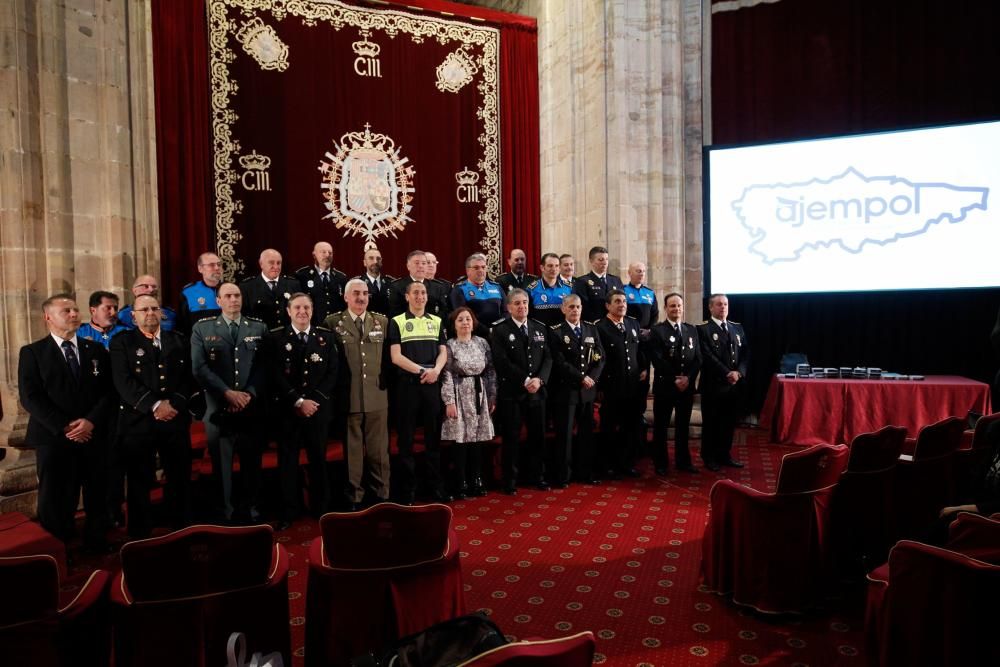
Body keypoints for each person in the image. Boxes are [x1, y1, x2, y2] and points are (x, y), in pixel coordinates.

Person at [18, 294, 113, 551]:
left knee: (97, 491)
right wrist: (66, 426)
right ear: (48, 317)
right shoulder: (32, 353)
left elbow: (108, 392)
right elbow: (30, 397)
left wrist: (91, 421)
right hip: (54, 437)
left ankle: (97, 540)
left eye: (75, 310)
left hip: (92, 435)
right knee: (56, 497)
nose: (74, 314)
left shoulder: (95, 350)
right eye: (66, 311)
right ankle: (58, 548)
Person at [109, 294, 193, 538]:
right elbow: (123, 382)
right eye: (144, 309)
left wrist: (174, 404)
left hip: (174, 419)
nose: (150, 313)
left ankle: (181, 527)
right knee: (139, 481)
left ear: (162, 313)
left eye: (155, 308)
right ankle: (140, 534)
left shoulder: (177, 340)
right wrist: (156, 405)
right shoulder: (122, 343)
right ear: (133, 316)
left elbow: (189, 377)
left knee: (179, 477)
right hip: (138, 422)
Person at [191, 282, 268, 523]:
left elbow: (264, 366)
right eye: (228, 296)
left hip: (249, 407)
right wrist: (227, 393)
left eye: (237, 295)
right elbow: (199, 368)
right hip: (218, 408)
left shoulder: (258, 327)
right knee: (221, 467)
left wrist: (249, 394)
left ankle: (251, 511)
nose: (233, 299)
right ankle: (225, 513)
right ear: (218, 301)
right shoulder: (202, 329)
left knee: (251, 464)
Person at [268, 293, 339, 528]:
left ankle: (321, 508)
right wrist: (298, 402)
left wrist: (313, 401)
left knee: (318, 460)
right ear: (288, 311)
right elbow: (274, 374)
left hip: (317, 411)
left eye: (306, 307)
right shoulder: (276, 337)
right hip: (288, 411)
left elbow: (333, 372)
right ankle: (289, 511)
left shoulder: (325, 338)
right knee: (287, 463)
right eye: (297, 307)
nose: (302, 312)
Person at [325, 279, 391, 510]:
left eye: (365, 293)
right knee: (352, 453)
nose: (361, 297)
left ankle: (381, 493)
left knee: (378, 451)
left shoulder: (381, 321)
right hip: (348, 396)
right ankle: (355, 496)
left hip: (377, 395)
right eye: (356, 293)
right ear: (345, 297)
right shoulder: (333, 322)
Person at [388, 281, 450, 504]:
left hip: (432, 384)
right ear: (407, 297)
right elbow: (396, 357)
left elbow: (443, 352)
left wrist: (436, 371)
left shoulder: (437, 321)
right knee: (406, 441)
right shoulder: (397, 322)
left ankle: (435, 488)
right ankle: (408, 491)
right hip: (408, 387)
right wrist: (424, 370)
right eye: (415, 293)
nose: (420, 296)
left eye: (423, 292)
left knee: (433, 439)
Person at [491, 288, 552, 493]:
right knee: (512, 438)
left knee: (538, 437)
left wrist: (540, 380)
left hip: (537, 392)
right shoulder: (499, 330)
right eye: (517, 303)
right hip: (512, 393)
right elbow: (501, 361)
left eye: (525, 302)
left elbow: (548, 358)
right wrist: (526, 379)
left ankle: (537, 476)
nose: (522, 306)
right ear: (508, 307)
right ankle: (510, 480)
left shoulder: (539, 328)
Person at [547, 294, 605, 486]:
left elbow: (600, 357)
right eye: (571, 307)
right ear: (563, 309)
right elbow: (559, 362)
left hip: (587, 392)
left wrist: (592, 378)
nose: (575, 310)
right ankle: (564, 475)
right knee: (565, 437)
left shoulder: (590, 328)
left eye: (578, 307)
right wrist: (581, 378)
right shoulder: (555, 332)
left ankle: (585, 473)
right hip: (567, 392)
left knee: (586, 435)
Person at [441, 307, 497, 499]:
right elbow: (446, 373)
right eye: (461, 320)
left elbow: (490, 371)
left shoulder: (482, 343)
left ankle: (477, 479)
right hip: (460, 393)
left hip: (479, 393)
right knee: (461, 440)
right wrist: (449, 401)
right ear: (454, 324)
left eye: (468, 319)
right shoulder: (450, 345)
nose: (465, 323)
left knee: (477, 440)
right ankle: (460, 481)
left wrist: (491, 395)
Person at [647, 292, 701, 475]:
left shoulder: (691, 330)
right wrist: (674, 379)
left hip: (686, 387)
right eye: (672, 306)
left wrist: (688, 378)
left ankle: (683, 461)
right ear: (665, 308)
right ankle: (661, 463)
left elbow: (698, 359)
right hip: (666, 387)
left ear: (683, 308)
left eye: (679, 305)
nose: (676, 309)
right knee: (661, 427)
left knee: (683, 427)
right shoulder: (657, 330)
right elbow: (657, 359)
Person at [595, 289, 645, 478]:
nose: (622, 304)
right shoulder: (599, 327)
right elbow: (598, 359)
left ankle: (626, 464)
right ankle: (607, 466)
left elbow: (639, 349)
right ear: (608, 305)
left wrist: (643, 368)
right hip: (611, 387)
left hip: (631, 386)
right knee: (608, 429)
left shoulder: (632, 323)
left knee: (629, 428)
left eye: (624, 301)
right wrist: (599, 387)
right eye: (617, 301)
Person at [697, 293, 748, 471]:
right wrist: (727, 373)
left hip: (734, 386)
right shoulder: (703, 329)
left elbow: (745, 355)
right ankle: (709, 457)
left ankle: (724, 454)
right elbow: (707, 356)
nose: (723, 307)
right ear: (710, 308)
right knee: (711, 423)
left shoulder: (737, 328)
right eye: (719, 304)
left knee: (728, 423)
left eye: (725, 304)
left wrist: (739, 373)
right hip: (713, 385)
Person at [240, 248, 300, 329]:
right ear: (261, 264)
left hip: (287, 335)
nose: (276, 266)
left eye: (279, 263)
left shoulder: (293, 284)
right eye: (271, 263)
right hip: (261, 335)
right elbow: (243, 317)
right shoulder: (247, 287)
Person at [450, 252, 505, 338]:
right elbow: (462, 316)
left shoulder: (496, 287)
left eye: (483, 267)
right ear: (468, 271)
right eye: (476, 268)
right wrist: (488, 331)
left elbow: (507, 312)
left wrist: (497, 328)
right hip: (474, 336)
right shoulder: (460, 289)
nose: (481, 270)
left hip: (498, 334)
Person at [296, 241, 348, 326]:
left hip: (335, 326)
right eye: (323, 252)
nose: (327, 255)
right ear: (314, 255)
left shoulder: (341, 278)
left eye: (330, 253)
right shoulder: (302, 276)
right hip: (312, 326)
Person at [387, 249, 450, 319]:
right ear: (408, 266)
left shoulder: (437, 287)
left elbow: (443, 312)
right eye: (417, 263)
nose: (420, 266)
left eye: (424, 263)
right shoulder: (397, 286)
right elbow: (394, 314)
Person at [574, 245, 624, 323]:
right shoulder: (582, 281)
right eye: (600, 260)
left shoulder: (615, 280)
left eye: (606, 259)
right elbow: (584, 307)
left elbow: (622, 302)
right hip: (594, 325)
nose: (604, 263)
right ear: (591, 261)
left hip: (615, 324)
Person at [177, 251, 224, 334]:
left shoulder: (231, 290)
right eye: (211, 265)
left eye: (219, 264)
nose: (217, 268)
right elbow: (182, 326)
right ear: (200, 269)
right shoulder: (188, 292)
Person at [527, 252, 572, 327]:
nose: (554, 269)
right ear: (542, 268)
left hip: (563, 333)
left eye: (556, 266)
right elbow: (529, 315)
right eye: (550, 266)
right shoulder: (532, 289)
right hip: (540, 332)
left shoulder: (568, 288)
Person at [356, 246, 395, 316]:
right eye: (371, 258)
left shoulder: (392, 283)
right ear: (364, 262)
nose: (375, 261)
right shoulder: (357, 283)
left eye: (378, 259)